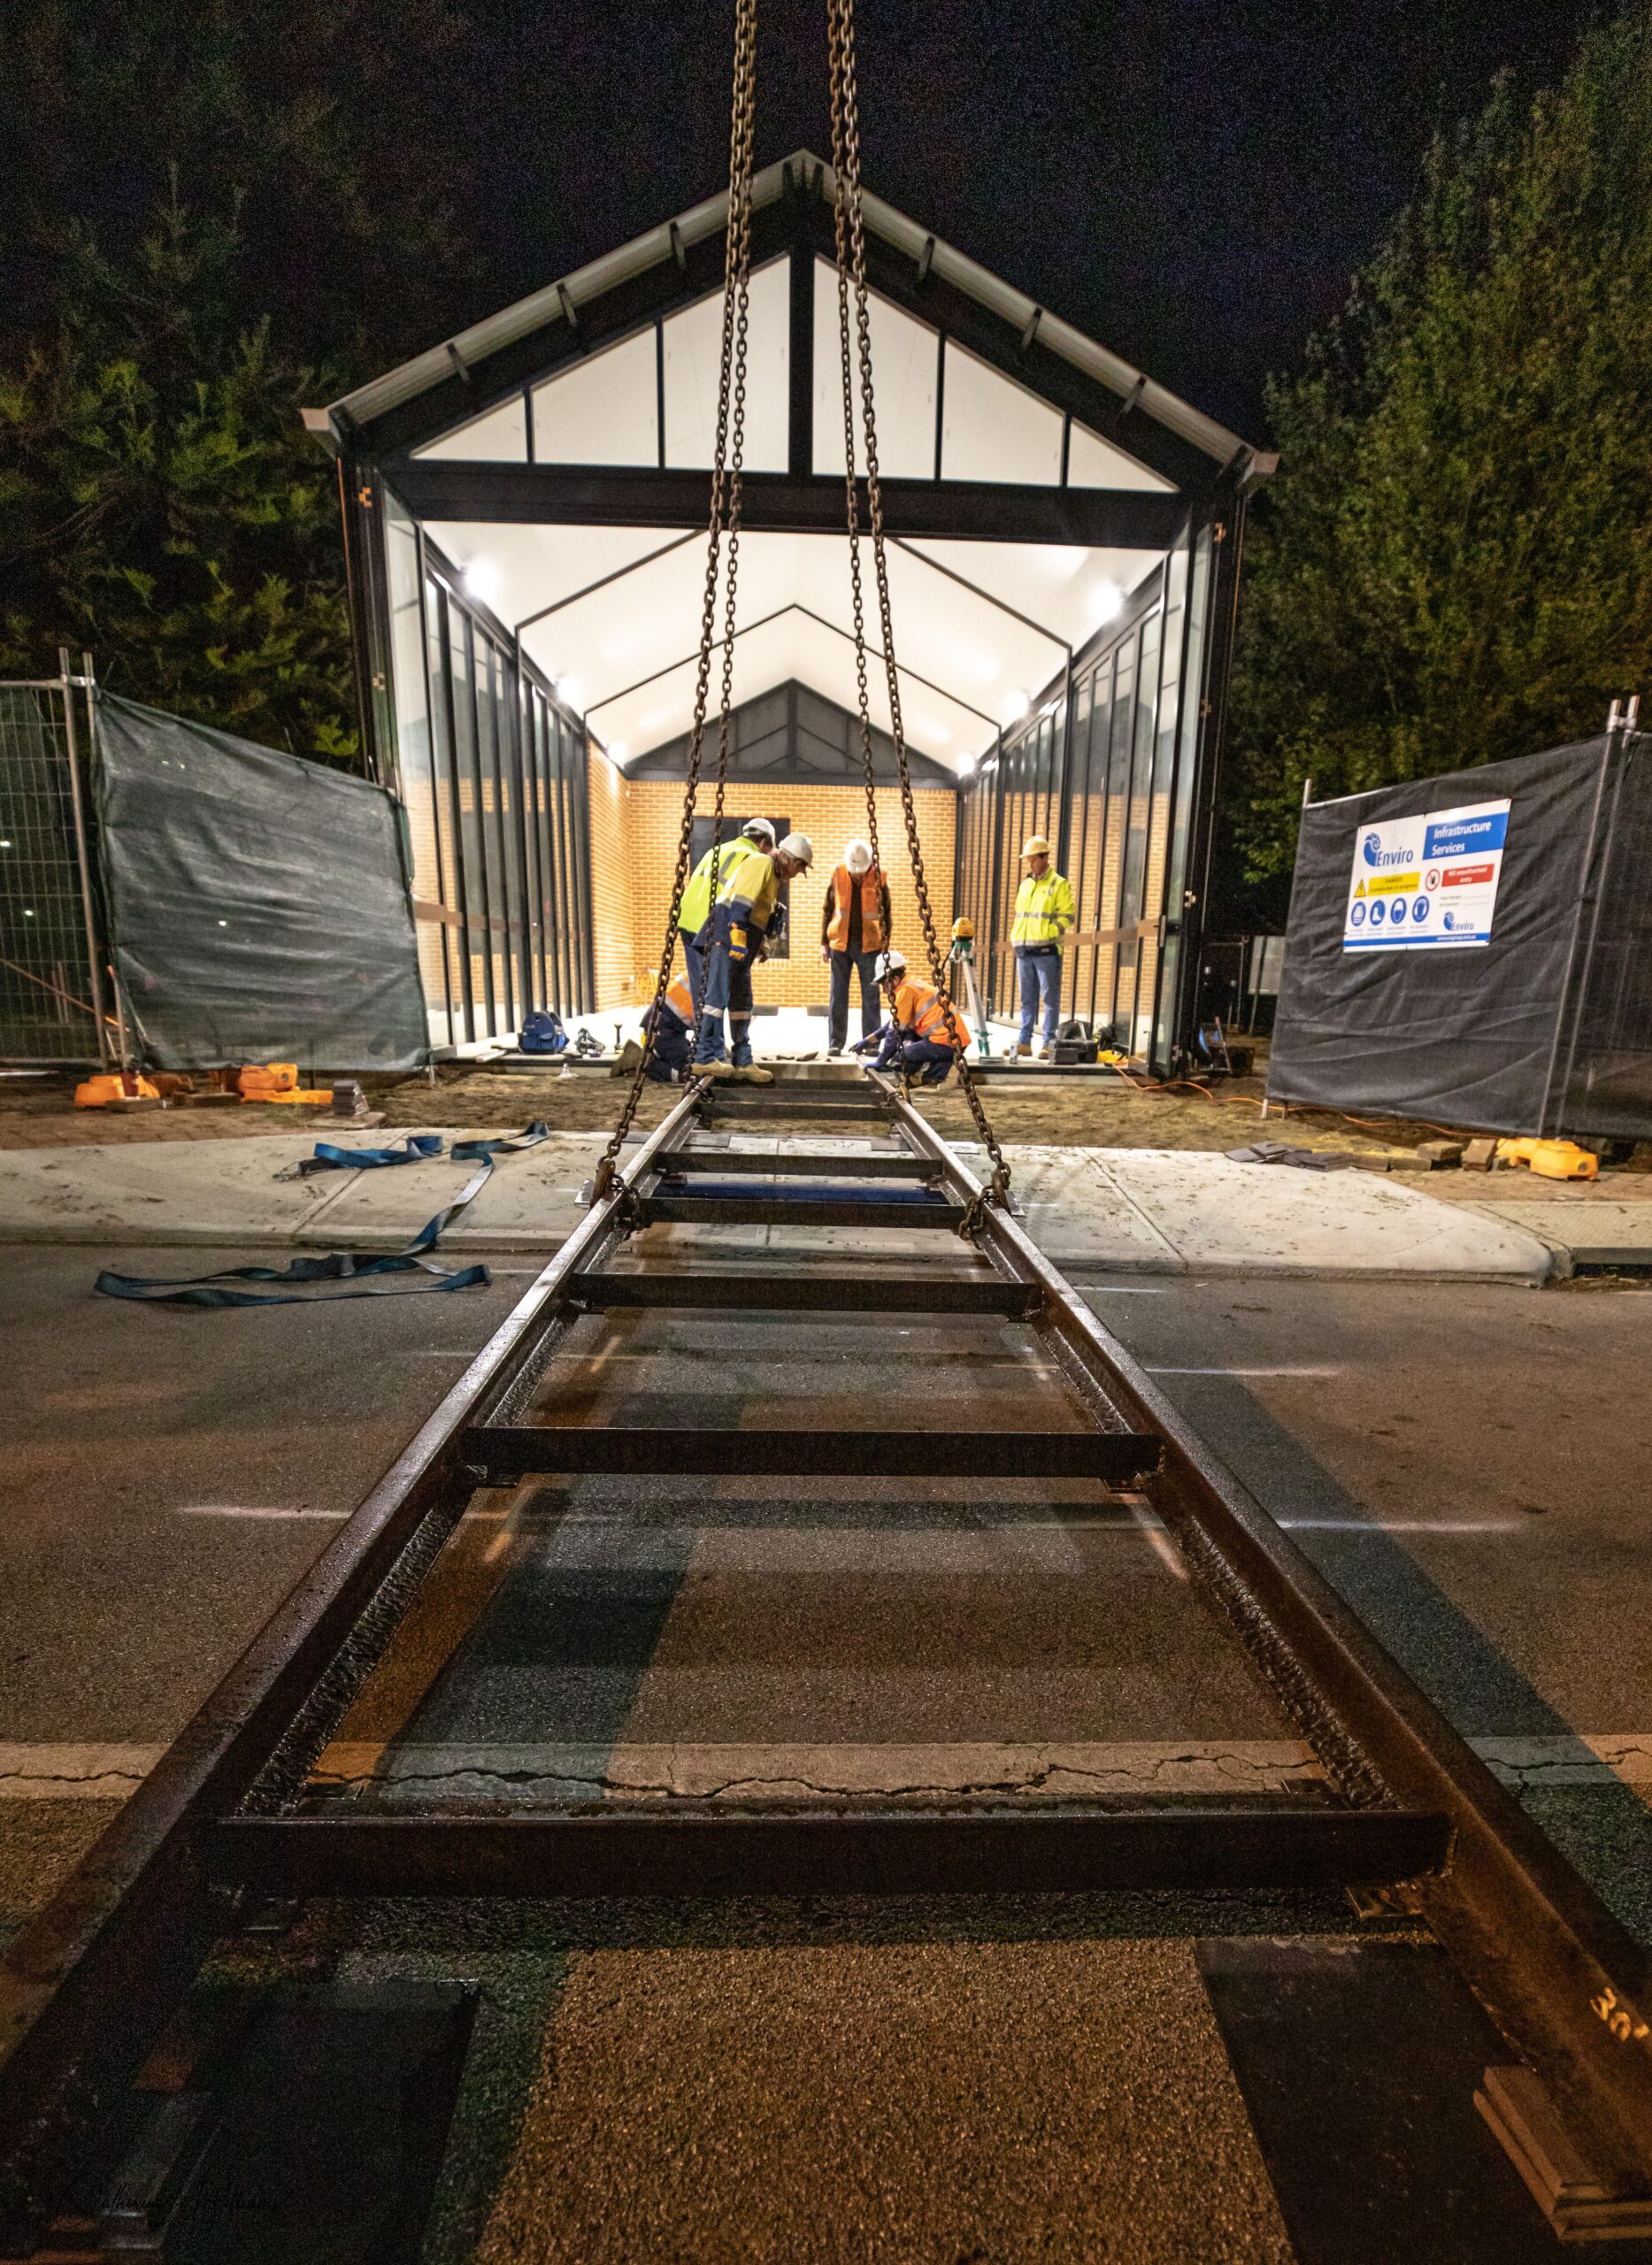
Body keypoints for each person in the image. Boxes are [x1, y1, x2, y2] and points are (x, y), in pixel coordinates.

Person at [692, 829, 815, 1080]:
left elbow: (759, 912)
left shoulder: (772, 876)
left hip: (741, 944)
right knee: (716, 999)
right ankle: (703, 1058)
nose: (797, 874)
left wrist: (762, 942)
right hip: (726, 938)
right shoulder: (761, 862)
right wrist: (737, 934)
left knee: (742, 1002)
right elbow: (741, 900)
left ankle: (743, 1061)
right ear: (793, 860)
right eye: (800, 868)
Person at [678, 819, 776, 1059]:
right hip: (712, 924)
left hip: (687, 920)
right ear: (764, 842)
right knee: (715, 992)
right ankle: (711, 1054)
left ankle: (711, 1050)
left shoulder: (717, 850)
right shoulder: (753, 858)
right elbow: (742, 898)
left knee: (702, 991)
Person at [850, 948, 971, 1086]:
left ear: (894, 979)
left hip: (943, 1042)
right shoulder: (910, 984)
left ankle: (944, 1071)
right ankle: (942, 1068)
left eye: (884, 984)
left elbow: (894, 1033)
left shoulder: (904, 991)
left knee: (900, 1058)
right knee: (906, 1044)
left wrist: (880, 1061)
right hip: (952, 1041)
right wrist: (868, 1041)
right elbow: (892, 1025)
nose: (884, 991)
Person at [819, 838, 891, 1055]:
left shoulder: (879, 877)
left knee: (871, 996)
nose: (857, 875)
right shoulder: (838, 874)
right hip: (840, 943)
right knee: (837, 995)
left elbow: (886, 914)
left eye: (861, 871)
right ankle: (835, 1043)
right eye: (854, 872)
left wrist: (885, 945)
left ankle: (871, 1044)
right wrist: (824, 943)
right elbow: (828, 909)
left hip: (870, 945)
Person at [1011, 833, 1075, 1059]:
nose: (1030, 863)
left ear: (1044, 857)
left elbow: (1067, 915)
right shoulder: (1025, 885)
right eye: (1028, 859)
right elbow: (1021, 916)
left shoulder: (1059, 884)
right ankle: (1024, 1042)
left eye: (1033, 859)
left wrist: (1049, 933)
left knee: (1050, 999)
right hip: (1024, 950)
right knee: (1026, 1000)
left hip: (1047, 951)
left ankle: (1048, 1043)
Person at [610, 971, 696, 1084]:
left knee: (694, 1061)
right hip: (661, 1023)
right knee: (686, 1071)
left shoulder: (704, 969)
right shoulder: (709, 975)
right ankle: (637, 1059)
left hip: (668, 1023)